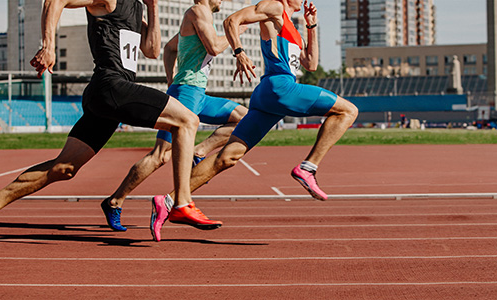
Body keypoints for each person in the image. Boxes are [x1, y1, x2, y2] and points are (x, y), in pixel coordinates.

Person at [149, 0, 359, 237]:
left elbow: (310, 63)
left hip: (270, 97)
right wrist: (239, 52)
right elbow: (232, 21)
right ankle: (307, 168)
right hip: (280, 88)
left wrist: (312, 26)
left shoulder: (290, 24)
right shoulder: (275, 8)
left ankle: (169, 201)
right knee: (348, 111)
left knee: (227, 158)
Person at [0, 0, 199, 222]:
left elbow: (151, 50)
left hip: (108, 95)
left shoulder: (136, 7)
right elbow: (55, 1)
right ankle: (181, 202)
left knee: (64, 168)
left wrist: (153, 7)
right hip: (111, 85)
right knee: (187, 120)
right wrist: (48, 46)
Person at [100, 0, 248, 240]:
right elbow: (213, 47)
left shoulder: (201, 18)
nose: (221, 0)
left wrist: (171, 80)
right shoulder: (197, 12)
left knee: (245, 118)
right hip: (187, 93)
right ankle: (114, 201)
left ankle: (199, 151)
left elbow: (170, 48)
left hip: (197, 94)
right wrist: (236, 33)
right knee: (160, 156)